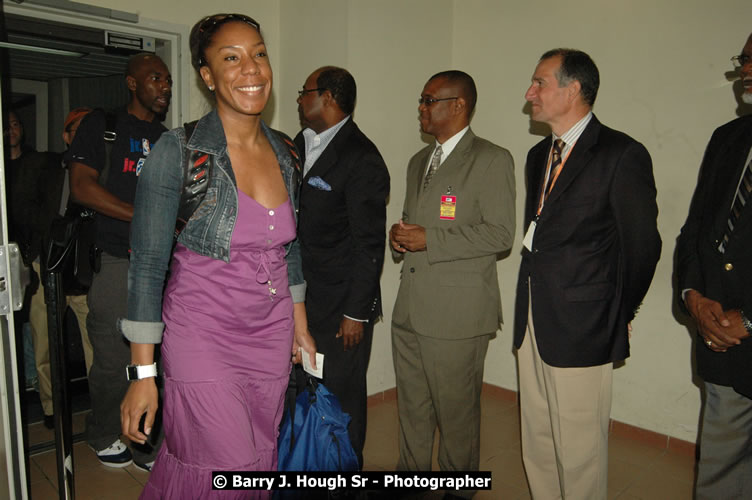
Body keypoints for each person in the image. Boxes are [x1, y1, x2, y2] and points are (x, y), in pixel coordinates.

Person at [119, 13, 316, 499]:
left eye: (259, 54)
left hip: (269, 335)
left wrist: (300, 324)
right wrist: (143, 374)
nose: (251, 69)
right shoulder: (178, 150)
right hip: (201, 333)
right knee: (227, 463)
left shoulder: (287, 151)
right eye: (231, 58)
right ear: (207, 76)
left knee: (258, 457)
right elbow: (146, 265)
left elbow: (288, 249)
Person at [514, 48, 661, 499]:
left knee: (579, 453)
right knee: (537, 441)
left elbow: (642, 247)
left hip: (584, 328)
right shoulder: (540, 154)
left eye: (540, 83)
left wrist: (617, 311)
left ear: (574, 89)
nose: (529, 93)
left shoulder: (621, 154)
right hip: (533, 319)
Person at [389, 70, 516, 496]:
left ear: (458, 105)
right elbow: (418, 227)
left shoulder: (491, 159)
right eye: (421, 100)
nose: (421, 108)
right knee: (412, 411)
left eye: (429, 100)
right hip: (411, 307)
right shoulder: (417, 162)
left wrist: (430, 240)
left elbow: (500, 234)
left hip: (457, 317)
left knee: (457, 418)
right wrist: (402, 239)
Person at [68, 53, 172, 469]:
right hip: (114, 259)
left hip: (161, 264)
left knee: (154, 359)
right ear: (132, 83)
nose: (164, 86)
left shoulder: (168, 138)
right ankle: (104, 432)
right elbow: (81, 187)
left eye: (167, 79)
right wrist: (142, 215)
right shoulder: (102, 126)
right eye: (155, 78)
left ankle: (143, 438)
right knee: (113, 358)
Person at [295, 66, 389, 468]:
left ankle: (344, 473)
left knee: (341, 396)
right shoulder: (297, 143)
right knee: (303, 391)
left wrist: (356, 312)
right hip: (300, 297)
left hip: (340, 308)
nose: (299, 99)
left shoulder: (361, 157)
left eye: (305, 92)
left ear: (328, 98)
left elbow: (370, 244)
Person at [676, 32, 752, 500]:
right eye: (744, 59)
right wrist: (694, 297)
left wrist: (749, 319)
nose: (746, 70)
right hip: (722, 342)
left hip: (740, 327)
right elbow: (695, 232)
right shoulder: (728, 139)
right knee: (720, 476)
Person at [27, 107, 95, 429]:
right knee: (44, 344)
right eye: (77, 130)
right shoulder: (47, 167)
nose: (83, 136)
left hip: (84, 272)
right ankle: (52, 409)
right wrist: (33, 253)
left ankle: (102, 407)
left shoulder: (100, 169)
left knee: (97, 344)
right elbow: (27, 210)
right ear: (66, 135)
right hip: (48, 268)